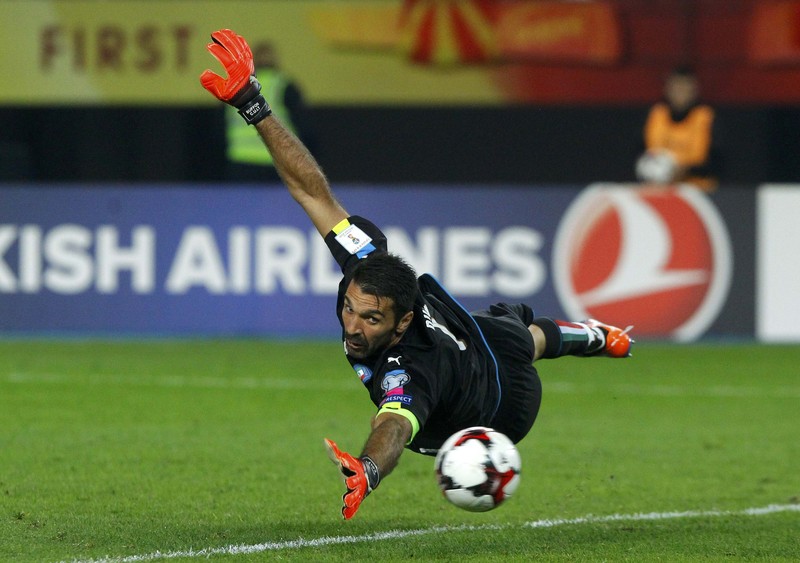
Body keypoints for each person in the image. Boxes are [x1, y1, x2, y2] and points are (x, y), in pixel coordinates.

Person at [200, 29, 634, 520]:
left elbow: (395, 427)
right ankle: (590, 335)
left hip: (500, 408)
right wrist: (254, 106)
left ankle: (593, 335)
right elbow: (313, 194)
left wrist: (368, 468)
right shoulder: (367, 269)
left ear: (401, 324)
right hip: (466, 339)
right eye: (351, 309)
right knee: (508, 331)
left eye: (371, 319)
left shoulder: (409, 368)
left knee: (522, 340)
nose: (353, 326)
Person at [222, 40, 317, 182]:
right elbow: (304, 124)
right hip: (277, 160)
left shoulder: (236, 85)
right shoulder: (285, 86)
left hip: (240, 161)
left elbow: (220, 125)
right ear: (275, 60)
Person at [637, 66, 718, 191]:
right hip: (658, 191)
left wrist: (686, 170)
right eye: (677, 87)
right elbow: (639, 153)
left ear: (695, 90)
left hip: (698, 192)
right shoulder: (655, 115)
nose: (681, 92)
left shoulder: (706, 117)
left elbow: (718, 161)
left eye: (685, 87)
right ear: (667, 89)